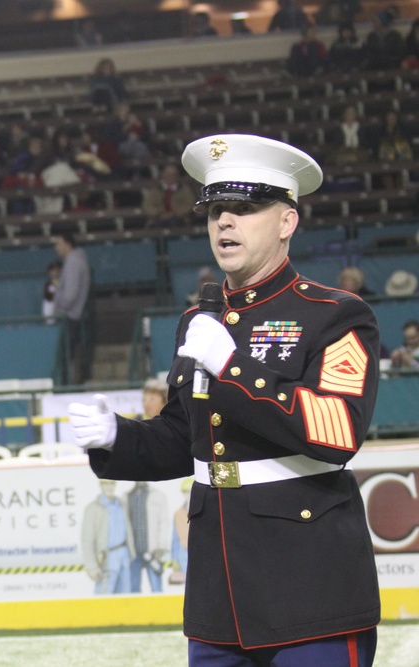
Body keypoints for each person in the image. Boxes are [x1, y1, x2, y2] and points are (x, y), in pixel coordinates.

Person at [68, 134, 381, 665]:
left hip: (311, 588)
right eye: (216, 210)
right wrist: (118, 435)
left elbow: (337, 432)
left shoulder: (335, 314)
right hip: (218, 596)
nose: (224, 222)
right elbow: (184, 440)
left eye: (245, 208)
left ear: (287, 222)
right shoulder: (199, 320)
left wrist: (232, 369)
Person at [52, 231, 93, 384]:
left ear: (67, 244)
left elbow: (70, 295)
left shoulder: (73, 262)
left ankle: (65, 385)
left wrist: (59, 305)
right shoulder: (74, 261)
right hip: (72, 315)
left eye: (58, 244)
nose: (56, 248)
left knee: (65, 356)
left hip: (69, 316)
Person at [81, 479, 134, 595]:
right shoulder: (93, 508)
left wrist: (131, 554)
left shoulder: (121, 504)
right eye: (106, 484)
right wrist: (92, 566)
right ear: (101, 485)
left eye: (112, 483)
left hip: (124, 559)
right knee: (103, 599)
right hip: (106, 561)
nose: (109, 487)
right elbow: (87, 540)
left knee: (126, 600)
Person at [127, 481, 169, 593]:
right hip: (134, 554)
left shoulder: (157, 495)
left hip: (152, 553)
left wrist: (161, 547)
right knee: (133, 591)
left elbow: (164, 522)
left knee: (157, 590)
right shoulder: (128, 496)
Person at [143, 164, 197, 229]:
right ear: (163, 176)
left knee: (176, 224)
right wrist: (159, 212)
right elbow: (148, 205)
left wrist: (174, 213)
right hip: (158, 218)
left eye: (173, 175)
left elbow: (189, 204)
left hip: (179, 218)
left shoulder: (185, 190)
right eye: (168, 175)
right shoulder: (154, 190)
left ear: (177, 176)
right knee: (156, 225)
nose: (171, 177)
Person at [42, 260, 62, 324]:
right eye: (53, 269)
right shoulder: (48, 284)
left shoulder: (66, 283)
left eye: (58, 269)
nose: (56, 272)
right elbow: (49, 297)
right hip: (52, 310)